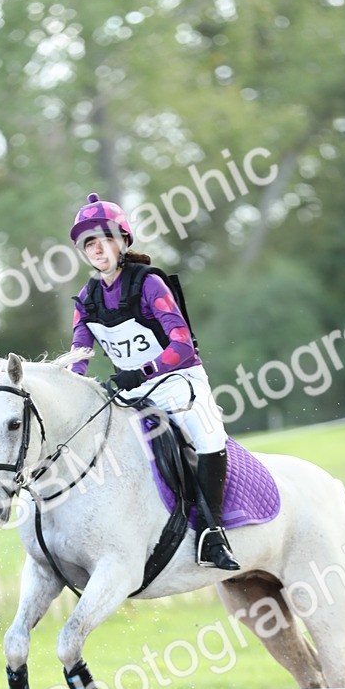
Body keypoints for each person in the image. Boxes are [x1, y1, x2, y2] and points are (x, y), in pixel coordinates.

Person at [68, 191, 240, 572]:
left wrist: (141, 372)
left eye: (105, 239)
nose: (97, 249)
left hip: (178, 382)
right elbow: (79, 357)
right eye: (89, 243)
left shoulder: (148, 284)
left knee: (209, 436)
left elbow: (182, 346)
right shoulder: (86, 298)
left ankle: (213, 534)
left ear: (123, 241)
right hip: (131, 395)